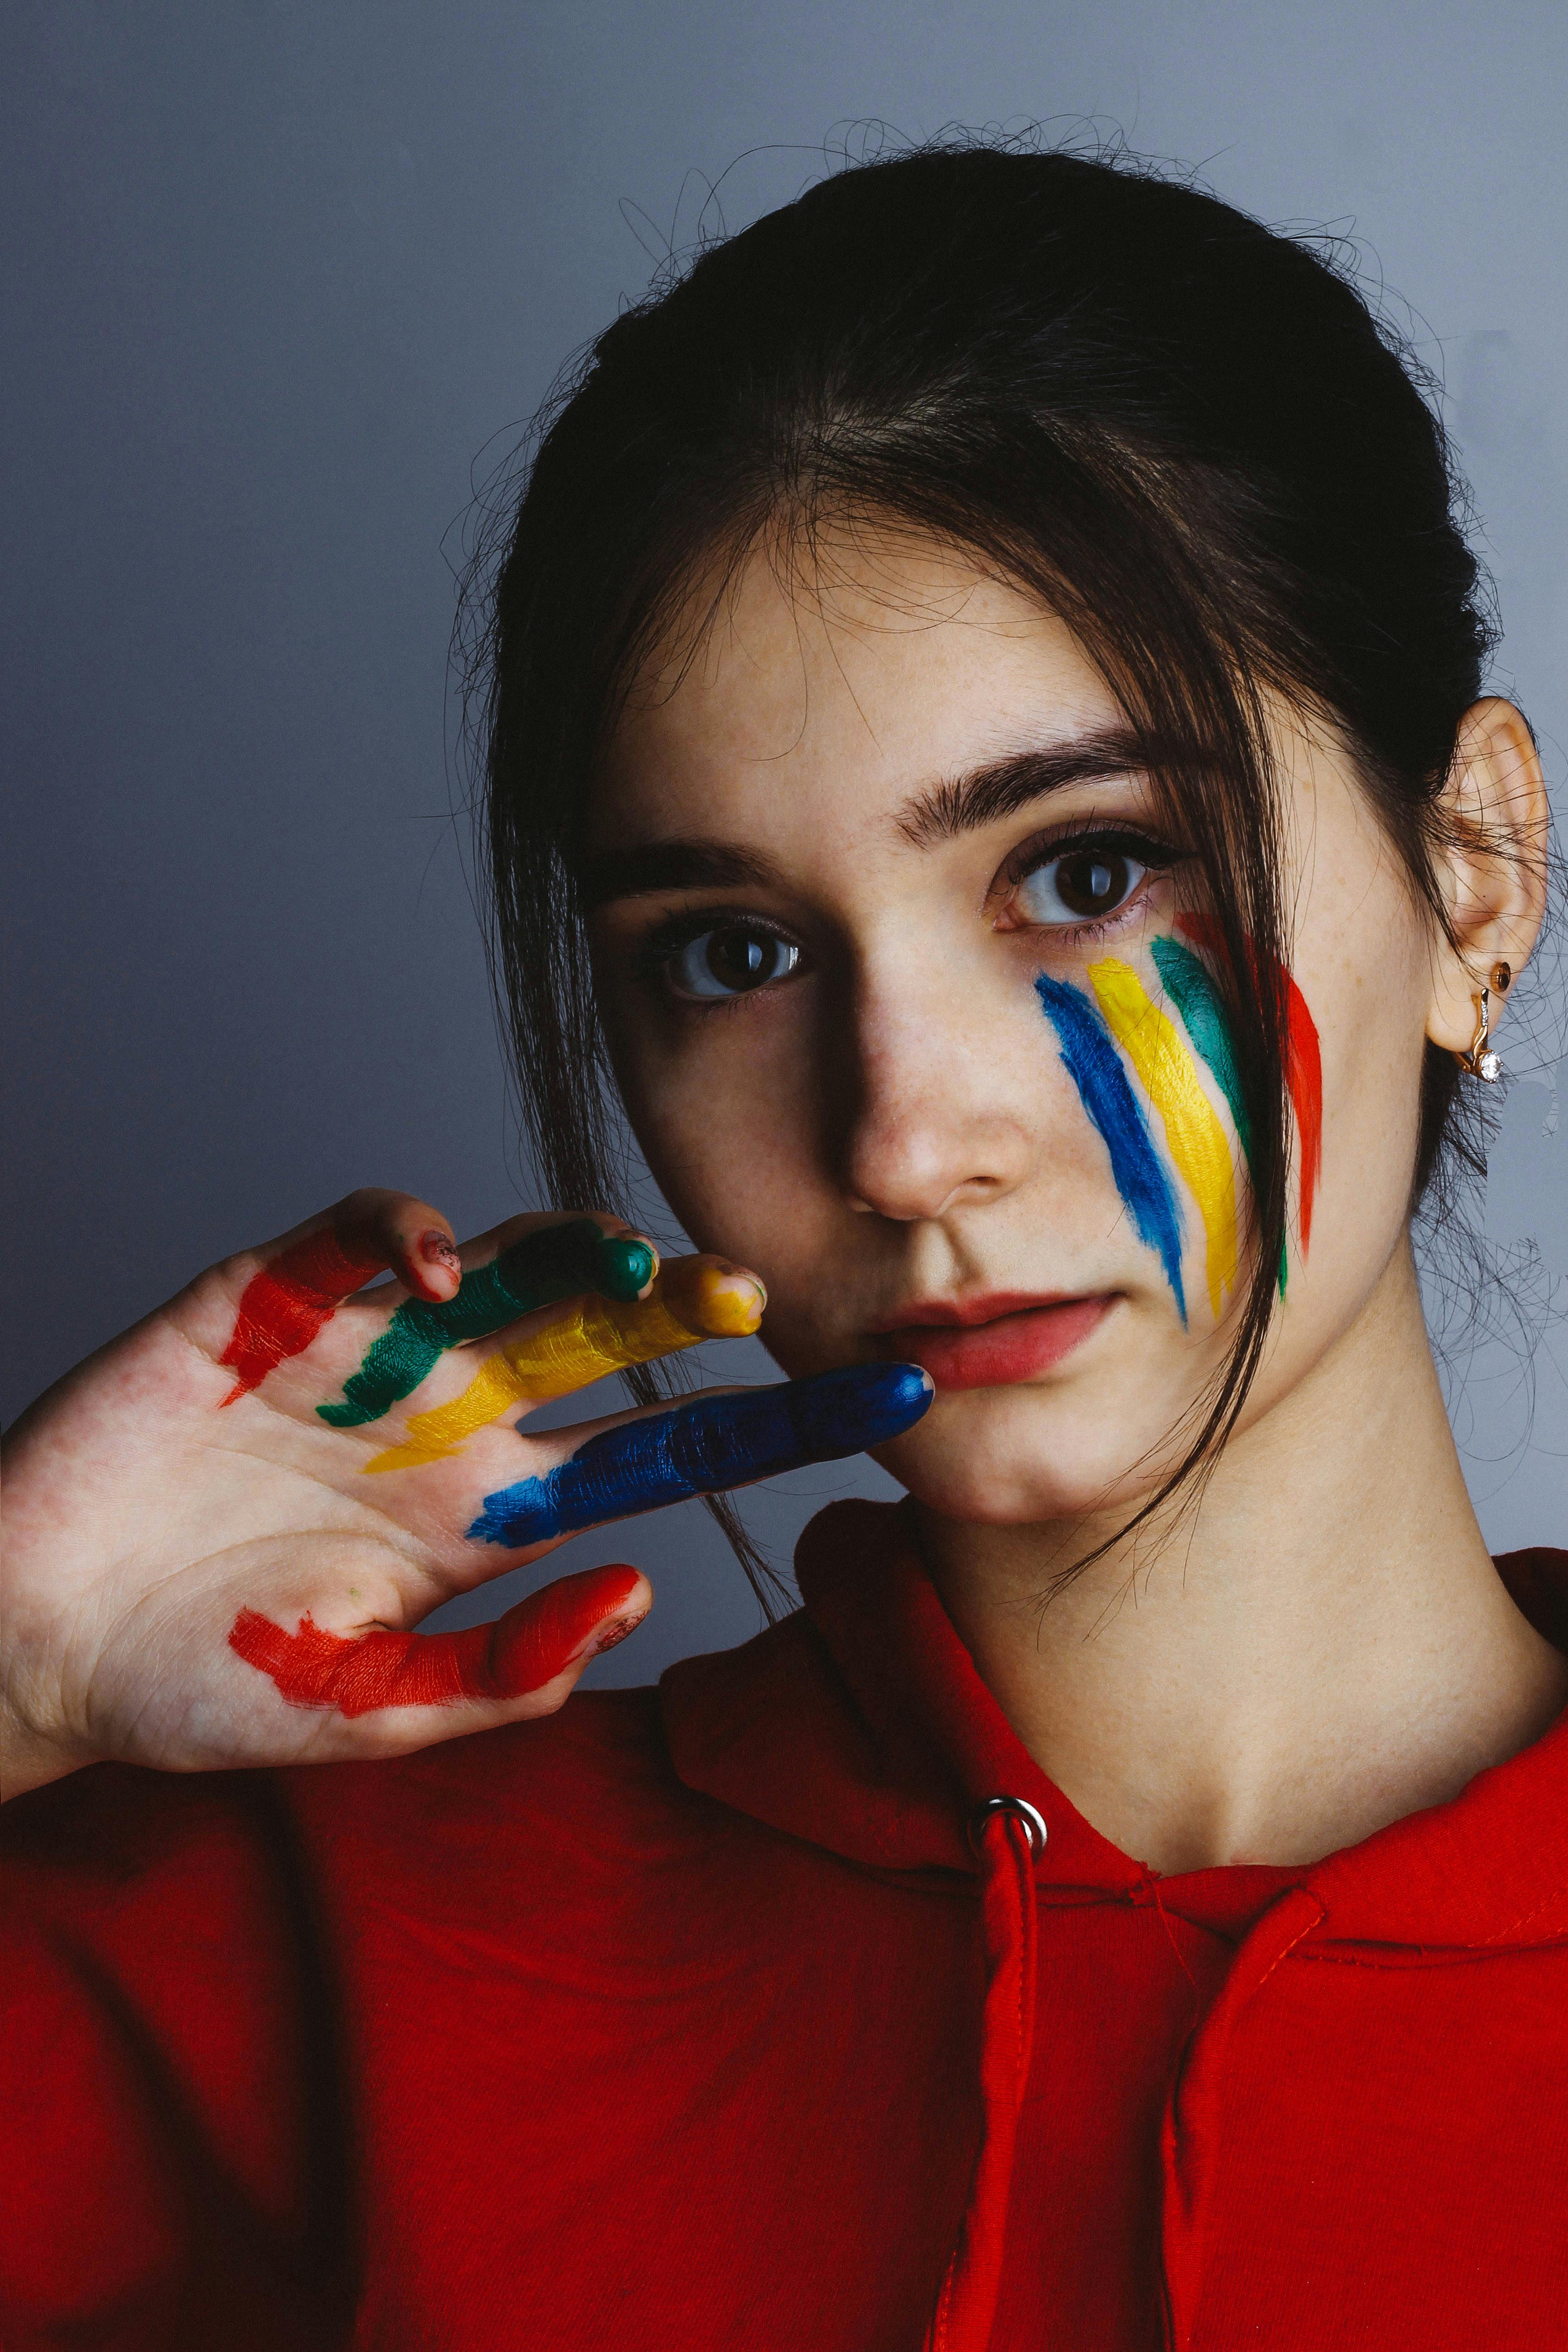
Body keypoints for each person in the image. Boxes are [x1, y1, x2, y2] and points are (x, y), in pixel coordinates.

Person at [4, 139, 1564, 2352]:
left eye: (1090, 874)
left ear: (1473, 884)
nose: (906, 1133)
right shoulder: (350, 1962)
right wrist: (15, 1652)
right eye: (736, 950)